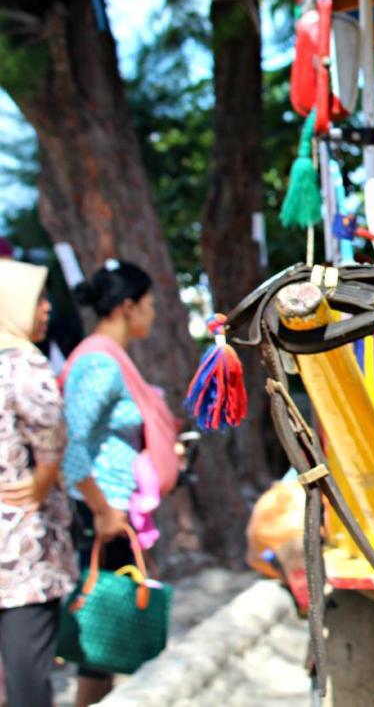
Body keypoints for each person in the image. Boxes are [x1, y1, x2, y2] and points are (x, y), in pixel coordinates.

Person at [61, 260, 179, 706]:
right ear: (128, 307)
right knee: (100, 629)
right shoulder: (100, 365)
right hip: (101, 513)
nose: (153, 314)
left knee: (104, 633)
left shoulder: (112, 360)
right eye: (149, 305)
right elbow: (67, 442)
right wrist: (102, 509)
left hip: (112, 510)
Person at [0, 259, 77, 707]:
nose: (46, 309)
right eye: (37, 299)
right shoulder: (23, 364)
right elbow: (52, 428)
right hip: (21, 549)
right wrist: (45, 476)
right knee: (28, 677)